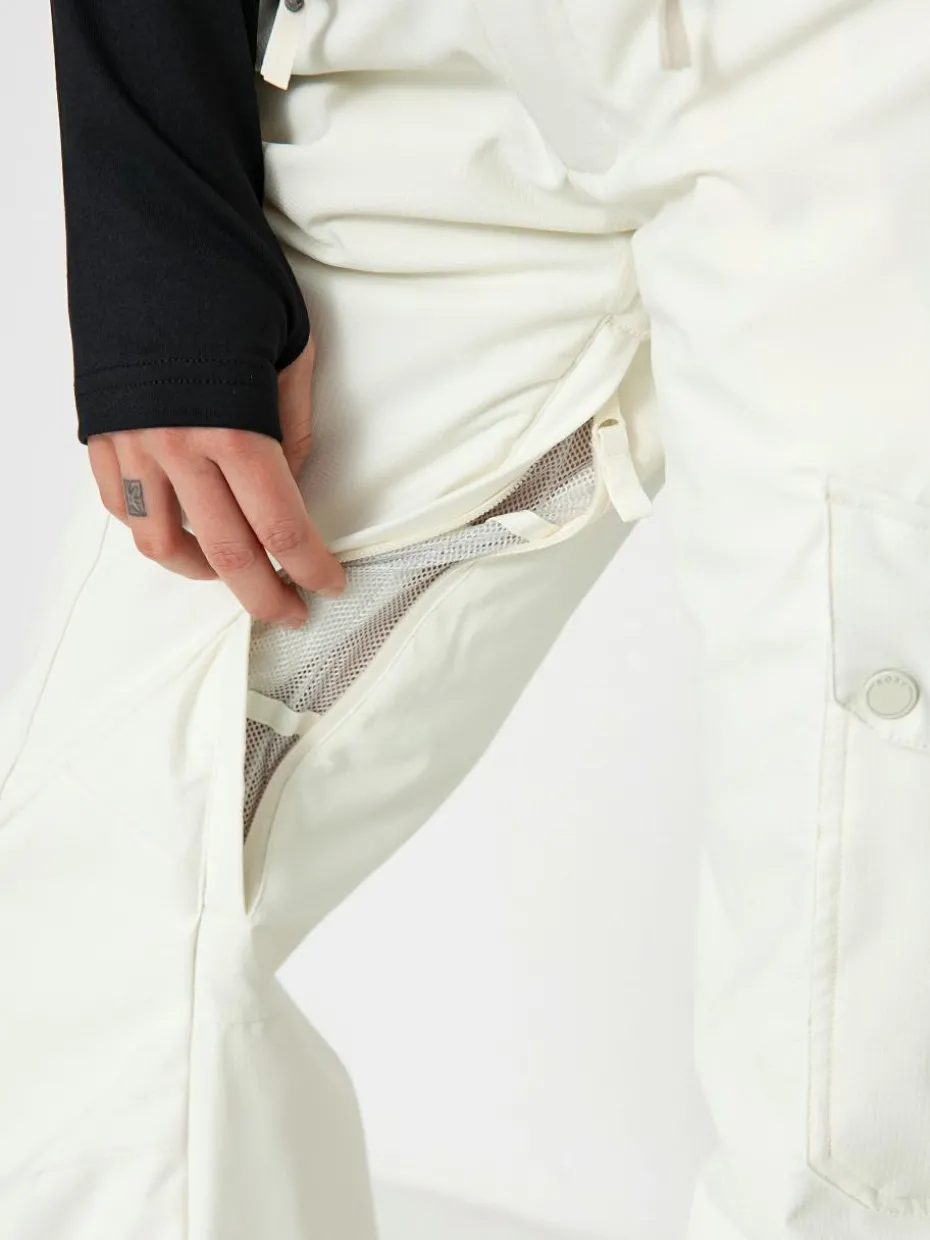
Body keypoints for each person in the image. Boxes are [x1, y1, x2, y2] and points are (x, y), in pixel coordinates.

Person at [1, 0, 928, 1236]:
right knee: (100, 918)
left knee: (856, 1031)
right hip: (411, 58)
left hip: (853, 62)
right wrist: (155, 234)